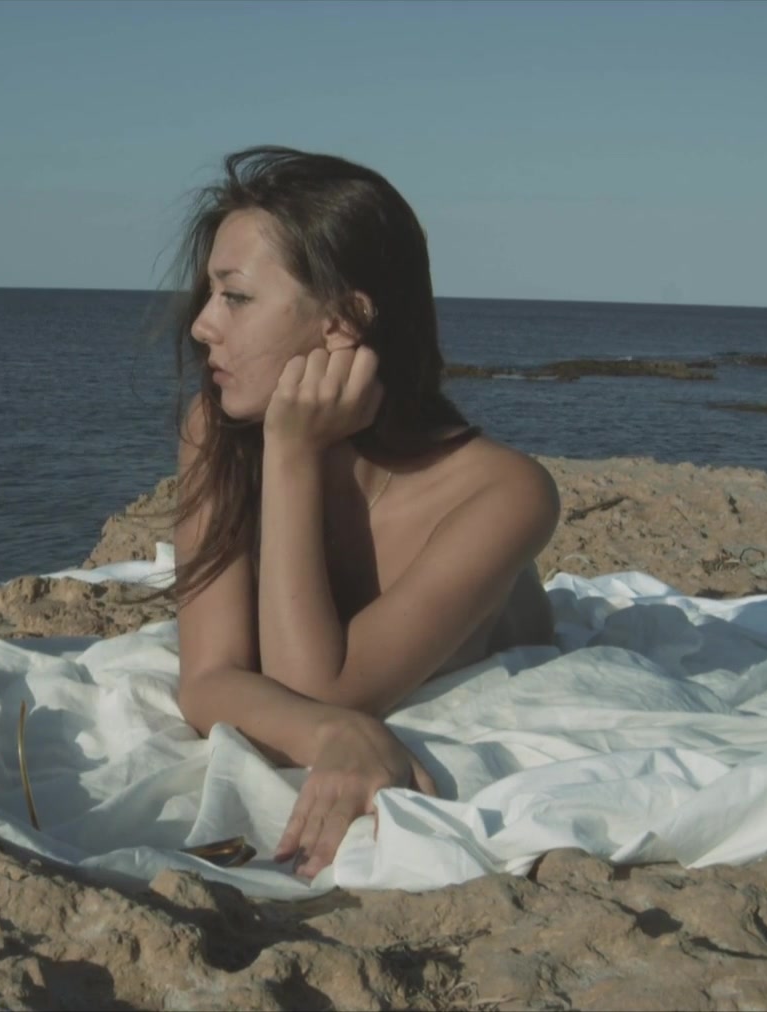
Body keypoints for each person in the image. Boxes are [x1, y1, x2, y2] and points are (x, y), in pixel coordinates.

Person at [164, 146, 560, 878]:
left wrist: (292, 451)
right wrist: (330, 733)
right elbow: (209, 677)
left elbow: (312, 688)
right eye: (210, 294)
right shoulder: (216, 431)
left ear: (342, 321)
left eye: (236, 297)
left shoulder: (504, 493)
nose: (202, 325)